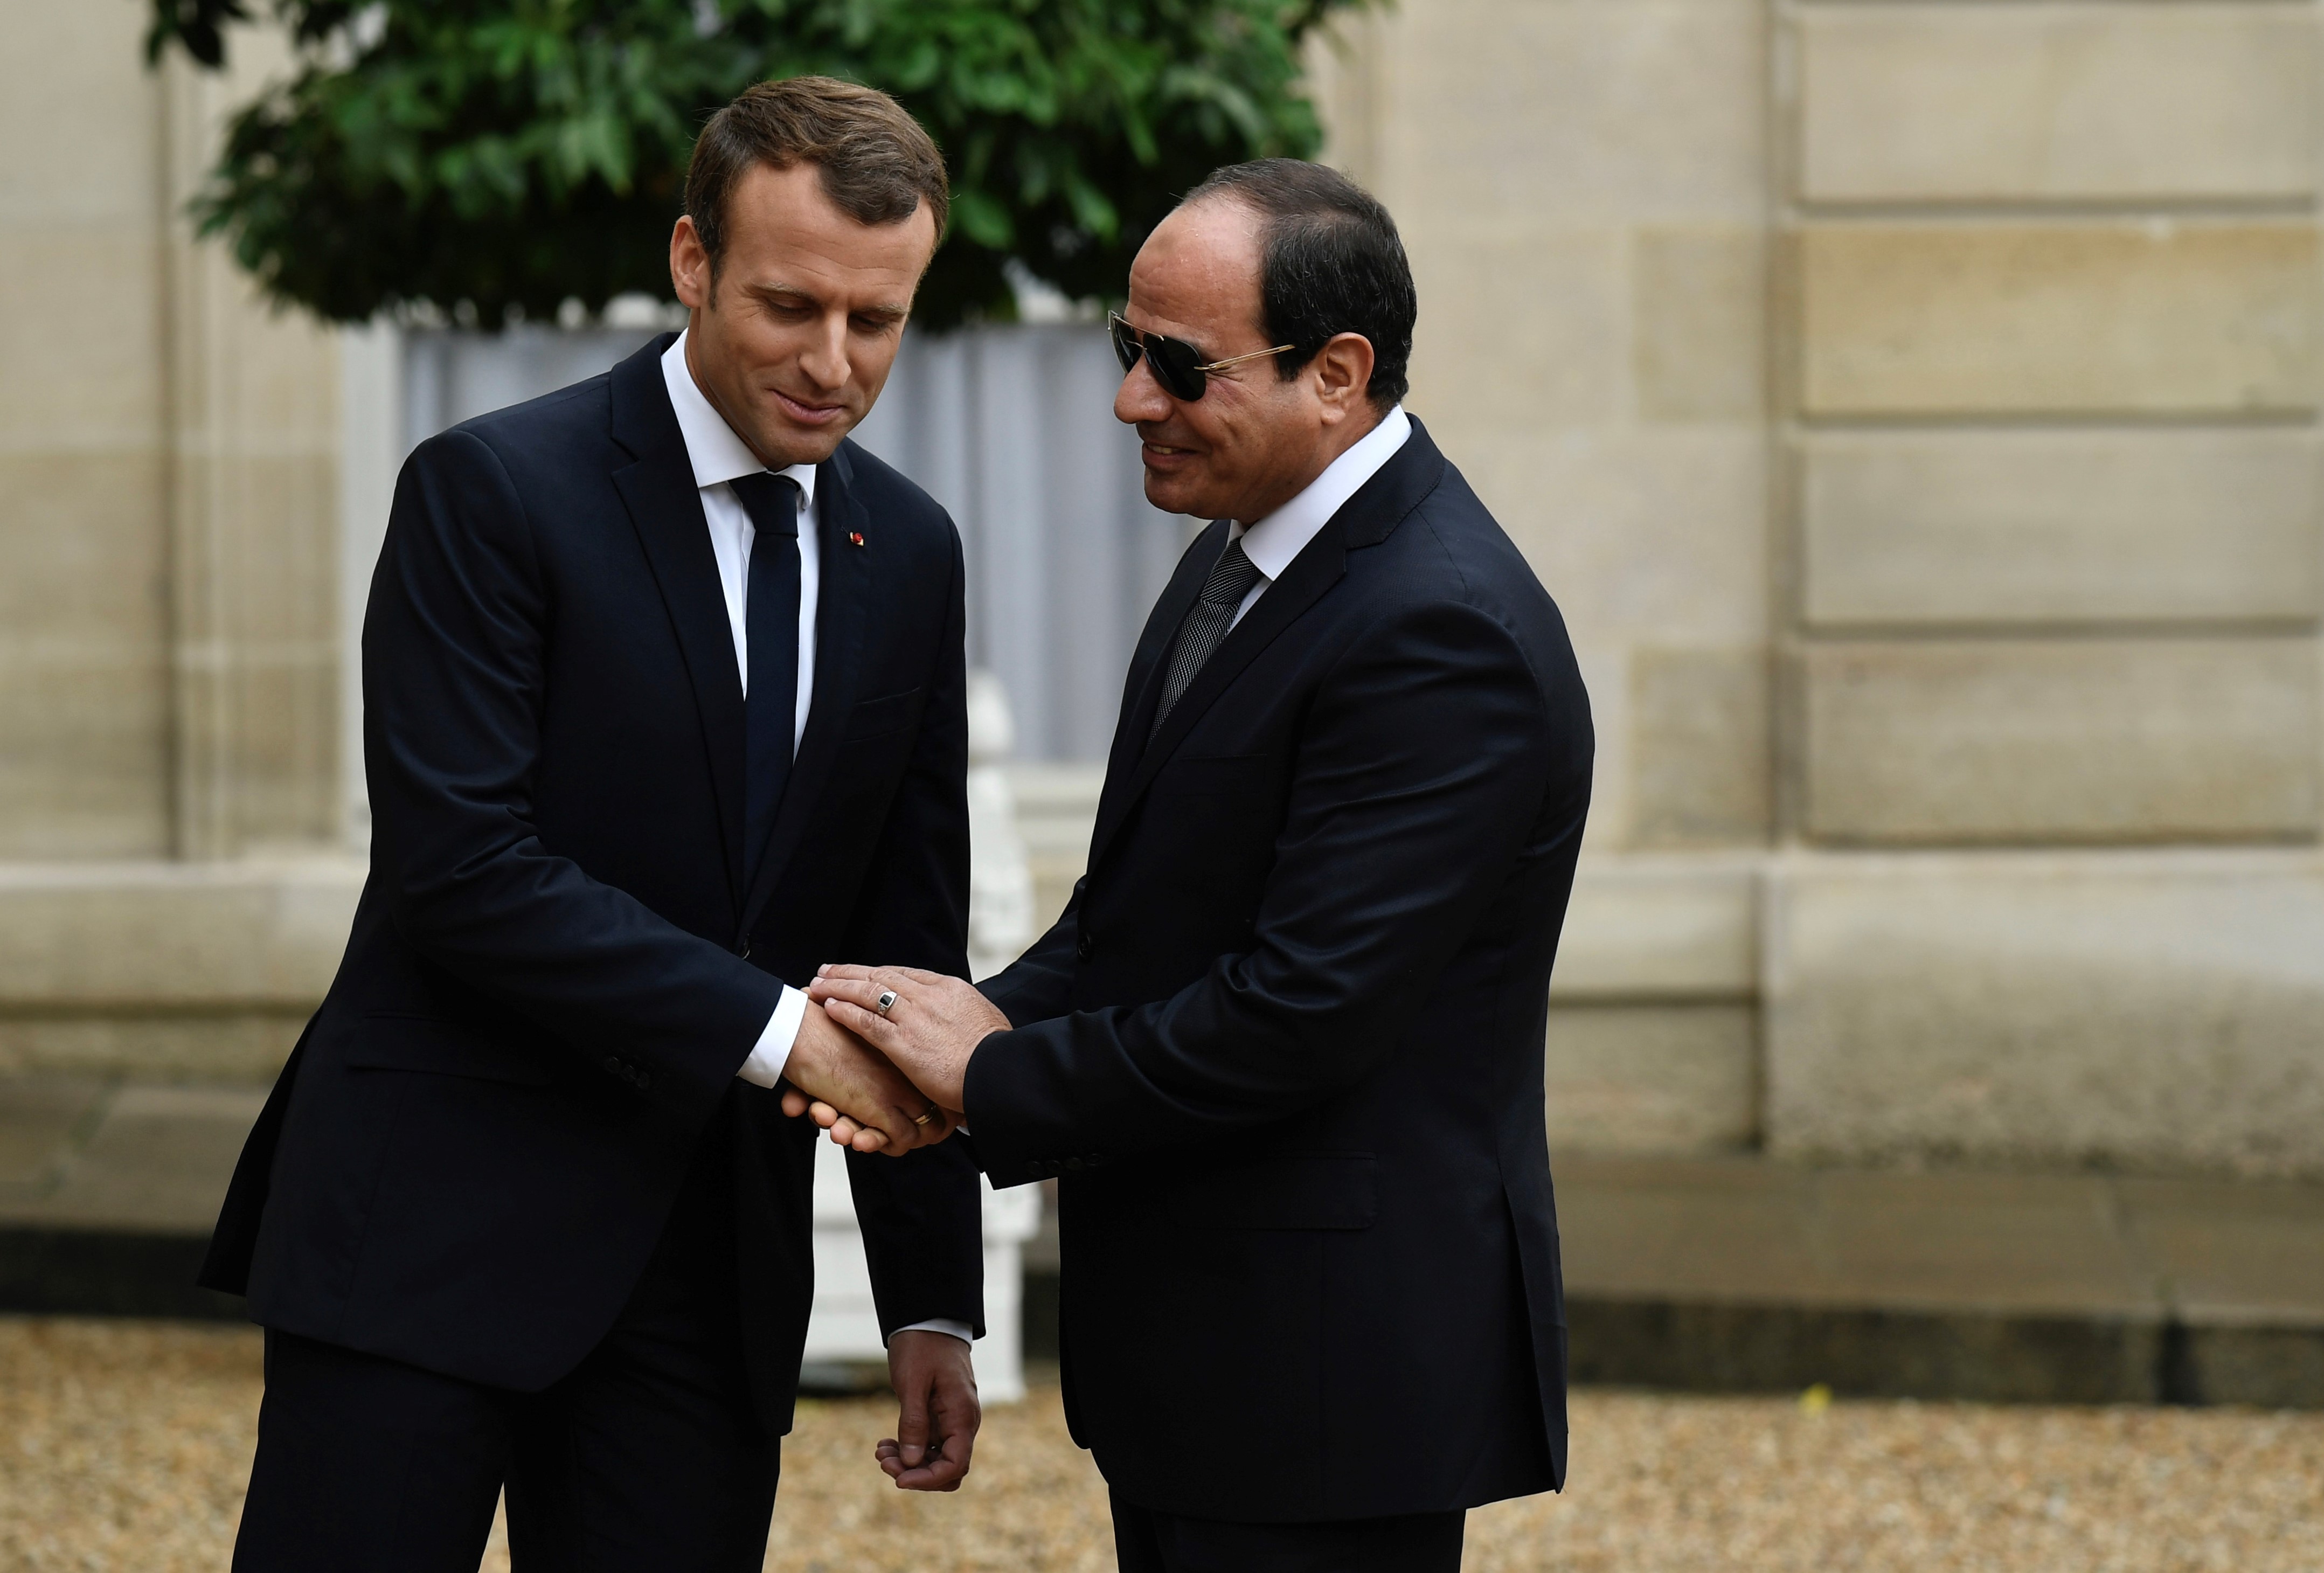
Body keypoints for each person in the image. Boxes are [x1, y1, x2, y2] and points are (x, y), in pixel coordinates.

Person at [203, 77, 986, 1573]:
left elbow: (906, 929)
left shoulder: (915, 552)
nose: (834, 364)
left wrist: (927, 1298)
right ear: (691, 261)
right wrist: (782, 1036)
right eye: (790, 305)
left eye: (876, 322)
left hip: (711, 1277)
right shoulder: (493, 491)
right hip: (427, 1233)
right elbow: (464, 871)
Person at [800, 159, 1594, 1572]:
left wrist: (983, 1082)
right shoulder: (1252, 549)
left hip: (1328, 1382)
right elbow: (1138, 918)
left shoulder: (1439, 632)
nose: (1130, 400)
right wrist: (938, 1029)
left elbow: (1300, 1015)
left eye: (1179, 364)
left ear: (1336, 375)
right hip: (1213, 1353)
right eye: (1126, 348)